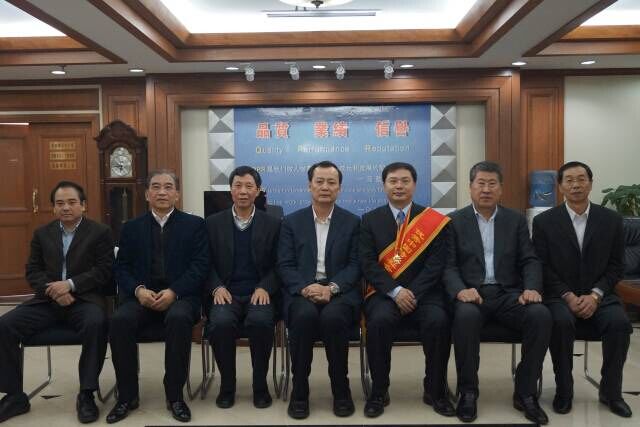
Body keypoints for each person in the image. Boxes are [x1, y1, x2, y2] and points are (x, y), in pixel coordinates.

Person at [443, 161, 551, 425]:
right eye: (481, 183)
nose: (486, 189)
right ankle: (468, 392)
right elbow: (448, 266)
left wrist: (531, 288)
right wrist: (460, 290)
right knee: (465, 317)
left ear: (501, 189)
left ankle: (526, 392)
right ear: (470, 187)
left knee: (540, 315)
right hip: (472, 294)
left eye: (492, 184)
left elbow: (529, 259)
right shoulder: (453, 221)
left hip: (508, 294)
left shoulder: (515, 220)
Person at [0, 181, 113, 424]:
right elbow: (33, 271)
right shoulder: (42, 234)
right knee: (5, 325)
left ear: (83, 205)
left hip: (84, 299)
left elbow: (104, 271)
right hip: (47, 300)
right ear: (53, 208)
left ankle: (87, 394)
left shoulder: (100, 232)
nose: (66, 208)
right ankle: (14, 396)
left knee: (96, 323)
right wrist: (55, 291)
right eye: (60, 203)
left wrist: (70, 285)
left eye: (72, 202)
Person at [106, 170, 209, 424]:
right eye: (155, 187)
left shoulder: (194, 225)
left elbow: (200, 266)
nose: (162, 192)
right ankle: (127, 396)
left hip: (181, 297)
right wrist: (138, 290)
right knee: (119, 320)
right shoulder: (131, 228)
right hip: (142, 296)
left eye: (168, 187)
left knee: (178, 318)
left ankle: (175, 396)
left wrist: (174, 291)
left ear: (177, 194)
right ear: (146, 194)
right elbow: (121, 268)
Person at [532, 161, 633, 418]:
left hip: (600, 295)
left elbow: (617, 266)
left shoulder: (611, 220)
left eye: (581, 179)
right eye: (569, 180)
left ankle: (611, 392)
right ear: (560, 186)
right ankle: (564, 391)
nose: (575, 185)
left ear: (590, 183)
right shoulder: (544, 222)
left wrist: (596, 294)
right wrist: (567, 295)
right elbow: (541, 265)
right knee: (560, 322)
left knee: (620, 324)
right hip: (559, 296)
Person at [360, 162, 454, 418]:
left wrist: (411, 292)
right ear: (384, 186)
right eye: (393, 181)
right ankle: (379, 391)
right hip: (385, 293)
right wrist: (396, 291)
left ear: (414, 185)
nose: (399, 186)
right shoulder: (369, 220)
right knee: (378, 322)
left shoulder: (433, 221)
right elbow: (367, 263)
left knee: (438, 321)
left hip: (425, 293)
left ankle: (435, 390)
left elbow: (437, 264)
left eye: (405, 181)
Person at [277, 161, 360, 419]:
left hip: (339, 291)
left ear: (339, 188)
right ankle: (299, 390)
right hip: (303, 290)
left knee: (333, 319)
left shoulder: (352, 222)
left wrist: (332, 288)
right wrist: (305, 288)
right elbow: (284, 264)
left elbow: (356, 265)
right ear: (309, 186)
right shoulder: (291, 222)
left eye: (331, 182)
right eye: (319, 181)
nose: (325, 187)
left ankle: (341, 389)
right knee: (304, 317)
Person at [205, 166, 281, 409]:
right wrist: (216, 287)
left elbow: (281, 264)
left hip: (259, 291)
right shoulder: (212, 223)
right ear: (230, 190)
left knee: (261, 322)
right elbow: (204, 263)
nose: (243, 191)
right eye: (238, 186)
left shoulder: (273, 223)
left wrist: (265, 287)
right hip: (225, 292)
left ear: (258, 191)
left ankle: (260, 386)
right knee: (220, 324)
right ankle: (227, 386)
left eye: (249, 186)